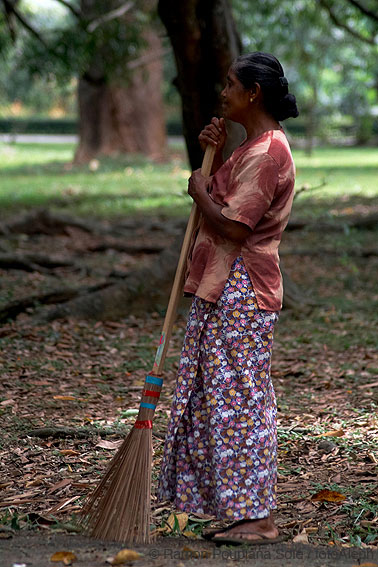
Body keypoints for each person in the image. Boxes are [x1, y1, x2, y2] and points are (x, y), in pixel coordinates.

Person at [157, 51, 299, 544]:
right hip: (222, 286)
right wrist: (209, 157)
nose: (222, 92)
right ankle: (236, 511)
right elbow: (221, 198)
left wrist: (197, 191)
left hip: (243, 290)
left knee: (239, 398)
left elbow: (234, 226)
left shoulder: (268, 154)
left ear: (253, 93)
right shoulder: (251, 147)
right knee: (215, 397)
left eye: (229, 83)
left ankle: (258, 519)